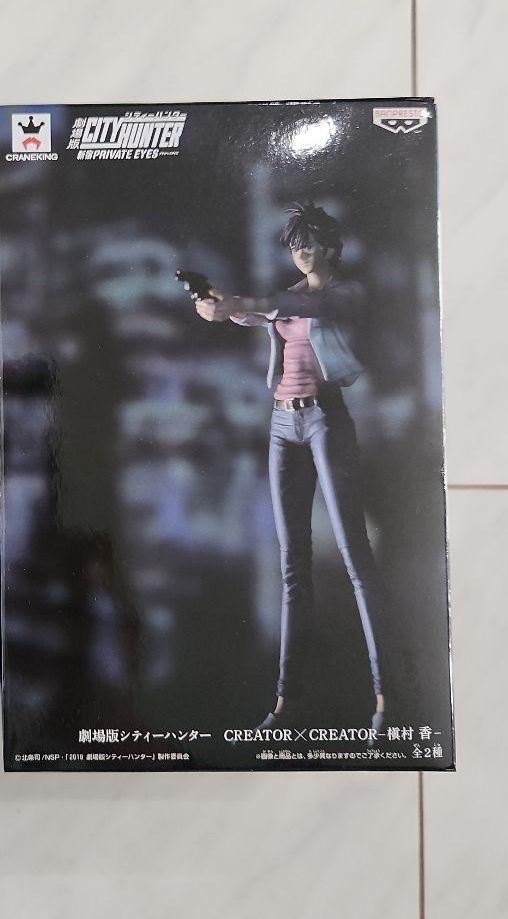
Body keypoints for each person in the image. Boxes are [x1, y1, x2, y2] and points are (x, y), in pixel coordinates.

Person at [193, 203, 388, 741]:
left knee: (355, 558)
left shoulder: (344, 293)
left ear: (330, 246)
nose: (299, 250)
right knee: (291, 568)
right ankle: (286, 702)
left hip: (326, 420)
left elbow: (295, 305)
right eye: (294, 242)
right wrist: (220, 306)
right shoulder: (289, 297)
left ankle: (385, 696)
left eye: (308, 240)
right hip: (283, 424)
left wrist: (245, 303)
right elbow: (259, 314)